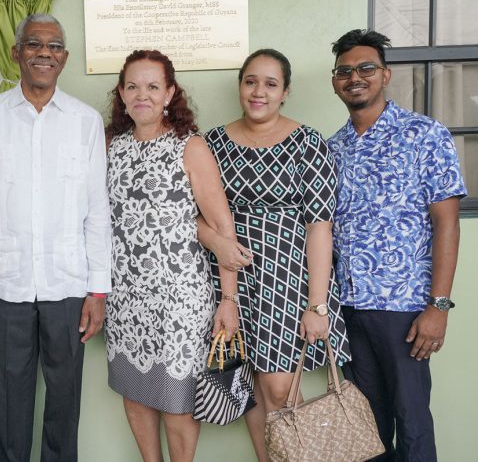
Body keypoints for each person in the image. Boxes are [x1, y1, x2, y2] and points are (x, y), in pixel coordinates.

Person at [0, 13, 111, 462]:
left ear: (64, 58)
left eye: (54, 46)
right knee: (8, 400)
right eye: (34, 44)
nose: (44, 52)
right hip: (5, 284)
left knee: (65, 400)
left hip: (68, 283)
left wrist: (97, 288)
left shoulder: (84, 121)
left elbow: (97, 210)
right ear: (16, 53)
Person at [199, 49, 351, 461]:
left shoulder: (308, 143)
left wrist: (317, 304)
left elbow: (320, 227)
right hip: (225, 280)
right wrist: (217, 243)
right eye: (251, 81)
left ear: (285, 92)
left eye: (270, 84)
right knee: (247, 389)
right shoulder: (211, 142)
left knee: (281, 388)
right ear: (239, 86)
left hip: (288, 280)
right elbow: (190, 214)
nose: (258, 92)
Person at [328, 29, 466, 461]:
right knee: (365, 430)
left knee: (411, 422)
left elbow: (447, 224)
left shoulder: (425, 134)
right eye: (345, 71)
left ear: (385, 75)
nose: (356, 77)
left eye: (366, 68)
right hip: (349, 308)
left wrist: (438, 307)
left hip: (404, 309)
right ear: (335, 81)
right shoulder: (333, 148)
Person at [105, 49, 242, 462]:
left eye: (152, 86)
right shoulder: (112, 145)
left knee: (178, 401)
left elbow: (221, 227)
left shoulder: (190, 145)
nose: (141, 95)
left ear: (169, 93)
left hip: (179, 298)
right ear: (122, 94)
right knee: (135, 393)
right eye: (132, 86)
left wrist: (228, 299)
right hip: (126, 296)